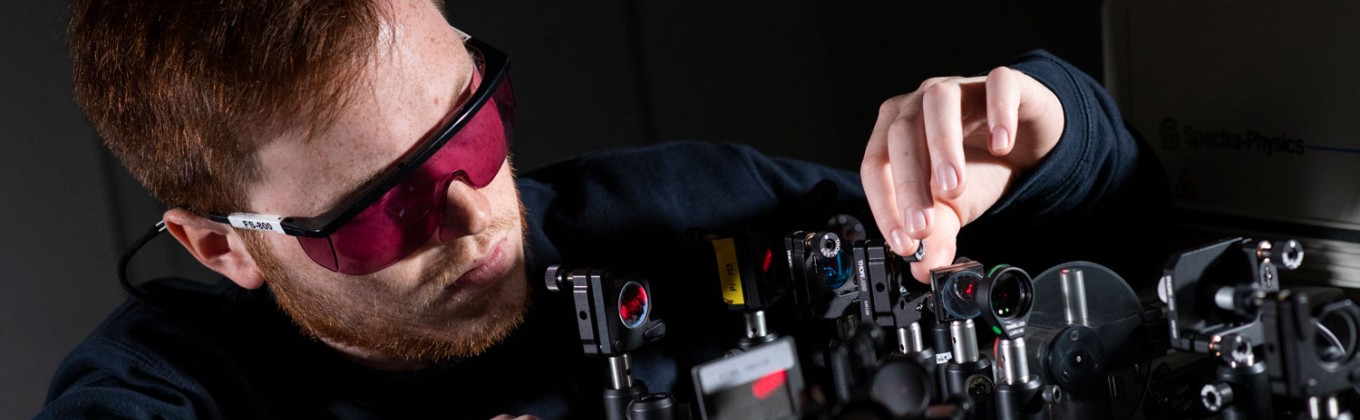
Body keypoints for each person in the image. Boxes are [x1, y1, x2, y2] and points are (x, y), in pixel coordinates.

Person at [43, 0, 1170, 418]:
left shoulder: (685, 209)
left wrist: (1051, 138)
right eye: (383, 210)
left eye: (471, 127)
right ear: (219, 248)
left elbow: (1122, 279)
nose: (477, 213)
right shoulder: (160, 390)